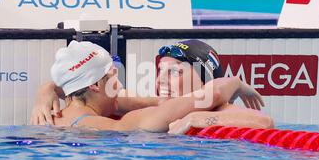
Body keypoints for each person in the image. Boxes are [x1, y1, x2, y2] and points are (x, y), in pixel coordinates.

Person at [30, 40, 274, 133]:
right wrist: (234, 82)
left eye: (174, 72)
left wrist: (48, 89)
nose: (160, 81)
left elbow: (264, 122)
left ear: (204, 79)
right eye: (114, 76)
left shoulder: (50, 117)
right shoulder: (120, 124)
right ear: (95, 85)